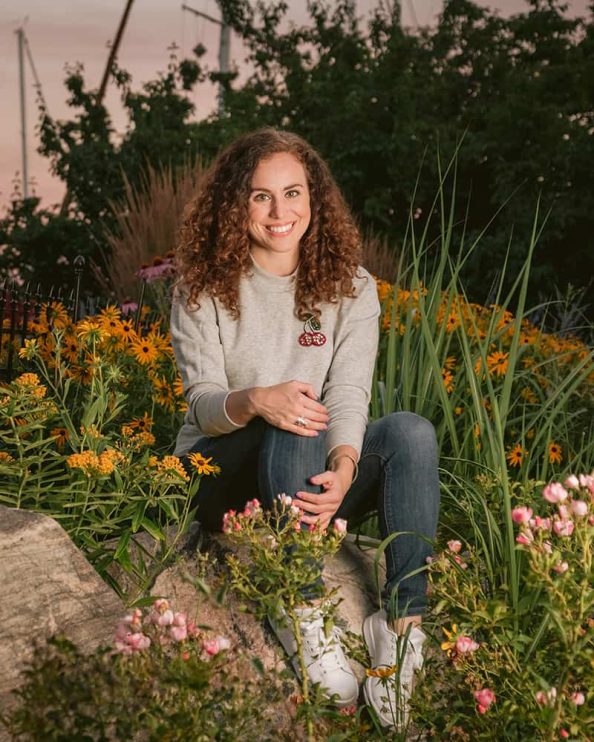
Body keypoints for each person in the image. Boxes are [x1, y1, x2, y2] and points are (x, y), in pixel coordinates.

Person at [171, 128, 440, 728]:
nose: (279, 212)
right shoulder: (202, 287)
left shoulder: (353, 288)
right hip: (221, 472)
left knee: (411, 433)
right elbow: (202, 404)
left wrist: (345, 466)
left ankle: (399, 630)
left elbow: (349, 392)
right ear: (234, 204)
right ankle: (304, 610)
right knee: (294, 407)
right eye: (260, 196)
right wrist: (258, 400)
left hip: (309, 465)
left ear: (314, 200)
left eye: (292, 193)